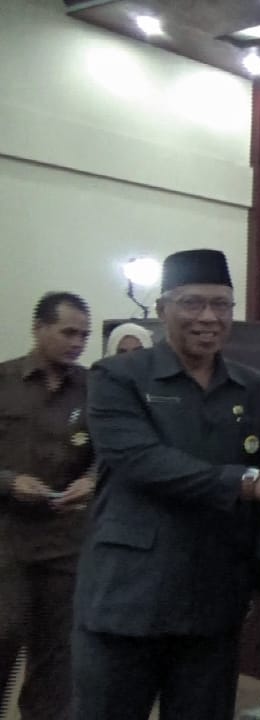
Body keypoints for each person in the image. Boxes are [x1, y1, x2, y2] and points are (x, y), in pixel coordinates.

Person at [72, 249, 260, 720]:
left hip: (213, 597)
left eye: (221, 305)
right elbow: (141, 460)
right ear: (162, 309)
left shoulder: (252, 386)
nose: (208, 317)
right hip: (129, 596)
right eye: (192, 303)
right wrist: (247, 483)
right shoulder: (117, 376)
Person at [0, 292, 95, 720]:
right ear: (39, 328)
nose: (77, 343)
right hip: (7, 539)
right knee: (4, 635)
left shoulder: (93, 388)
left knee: (58, 655)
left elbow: (111, 452)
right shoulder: (4, 381)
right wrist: (9, 482)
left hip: (66, 540)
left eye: (84, 335)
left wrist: (92, 480)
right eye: (68, 332)